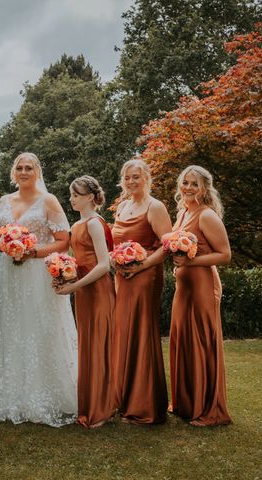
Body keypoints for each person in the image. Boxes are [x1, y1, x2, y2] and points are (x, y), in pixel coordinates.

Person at [0, 152, 78, 427]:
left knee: (41, 327)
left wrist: (32, 252)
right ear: (13, 172)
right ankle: (13, 397)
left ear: (37, 171)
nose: (23, 172)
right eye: (19, 168)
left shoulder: (48, 201)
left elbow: (63, 241)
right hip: (8, 273)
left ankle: (50, 395)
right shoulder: (4, 201)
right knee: (12, 328)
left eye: (29, 168)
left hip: (37, 272)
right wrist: (7, 245)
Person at [169, 165, 232, 427]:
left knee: (201, 341)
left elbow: (225, 255)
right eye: (185, 182)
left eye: (195, 184)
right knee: (183, 340)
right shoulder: (183, 212)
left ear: (205, 188)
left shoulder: (206, 216)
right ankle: (186, 403)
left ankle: (209, 411)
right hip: (184, 288)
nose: (188, 188)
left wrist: (189, 264)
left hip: (203, 286)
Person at [111, 158, 172, 425]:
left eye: (136, 176)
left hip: (145, 277)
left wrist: (142, 265)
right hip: (123, 278)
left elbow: (168, 245)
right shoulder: (122, 206)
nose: (131, 181)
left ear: (147, 177)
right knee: (123, 333)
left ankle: (144, 405)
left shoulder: (155, 207)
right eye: (127, 177)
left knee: (141, 332)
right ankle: (122, 399)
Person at [55, 176, 115, 429]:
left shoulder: (94, 224)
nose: (71, 199)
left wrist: (74, 287)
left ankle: (102, 408)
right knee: (87, 345)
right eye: (71, 195)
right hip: (83, 291)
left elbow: (104, 264)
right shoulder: (76, 224)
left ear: (90, 197)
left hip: (98, 291)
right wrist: (62, 275)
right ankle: (90, 404)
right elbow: (75, 260)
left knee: (99, 345)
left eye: (76, 195)